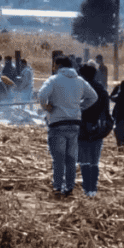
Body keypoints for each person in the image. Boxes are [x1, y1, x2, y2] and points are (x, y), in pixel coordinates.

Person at [37, 56, 97, 197]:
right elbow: (93, 97)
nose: (53, 68)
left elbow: (41, 95)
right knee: (71, 158)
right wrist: (80, 107)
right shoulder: (80, 80)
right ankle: (69, 187)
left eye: (54, 65)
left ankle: (58, 186)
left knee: (59, 158)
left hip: (57, 123)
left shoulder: (53, 80)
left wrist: (46, 107)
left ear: (58, 66)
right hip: (74, 123)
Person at [78, 64, 110, 197]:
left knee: (84, 159)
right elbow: (106, 111)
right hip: (98, 128)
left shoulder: (81, 89)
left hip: (83, 128)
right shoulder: (102, 90)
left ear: (82, 75)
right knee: (94, 160)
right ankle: (93, 188)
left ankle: (87, 187)